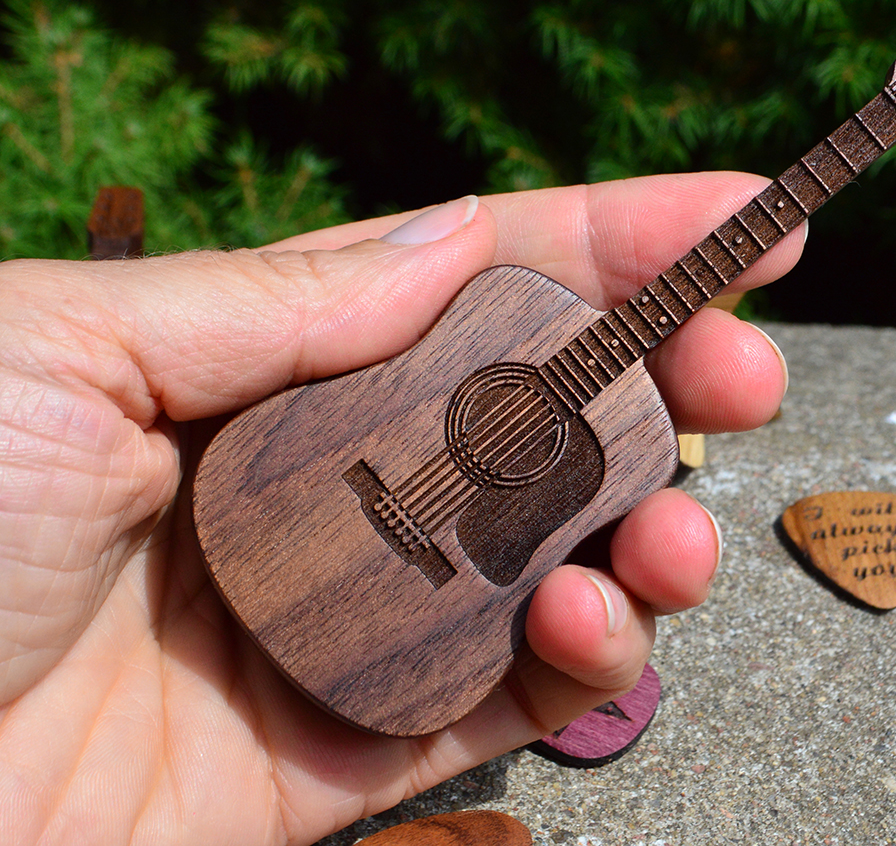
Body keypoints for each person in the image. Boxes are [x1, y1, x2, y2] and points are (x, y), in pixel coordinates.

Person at [0, 173, 804, 846]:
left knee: (619, 543)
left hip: (404, 653)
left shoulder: (632, 437)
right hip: (253, 499)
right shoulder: (513, 301)